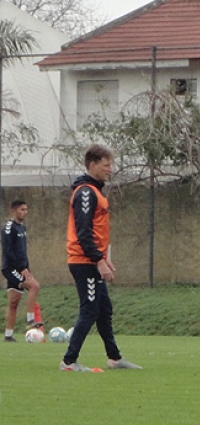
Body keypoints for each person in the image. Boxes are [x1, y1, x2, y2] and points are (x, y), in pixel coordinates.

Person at [61, 144, 142, 372]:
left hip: (92, 259)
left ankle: (114, 358)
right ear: (93, 164)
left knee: (104, 309)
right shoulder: (86, 192)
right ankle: (69, 361)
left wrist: (104, 257)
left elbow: (97, 231)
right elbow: (83, 231)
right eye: (106, 165)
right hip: (84, 262)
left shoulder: (95, 191)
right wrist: (98, 260)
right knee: (90, 310)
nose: (110, 169)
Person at [2, 200, 43, 342]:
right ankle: (31, 319)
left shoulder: (22, 228)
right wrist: (21, 268)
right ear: (13, 210)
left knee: (13, 302)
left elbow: (22, 252)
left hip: (22, 268)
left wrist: (27, 269)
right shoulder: (8, 227)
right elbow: (8, 251)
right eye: (22, 209)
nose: (25, 212)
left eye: (26, 209)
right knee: (34, 286)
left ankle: (8, 336)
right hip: (11, 268)